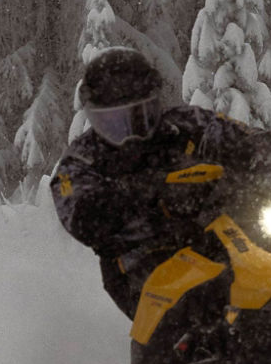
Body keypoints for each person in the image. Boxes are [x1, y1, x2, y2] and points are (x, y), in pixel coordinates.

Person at [51, 47, 252, 317]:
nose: (128, 133)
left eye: (138, 117)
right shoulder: (81, 161)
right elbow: (81, 216)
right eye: (112, 122)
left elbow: (250, 142)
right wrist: (145, 190)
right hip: (143, 262)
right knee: (187, 311)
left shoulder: (188, 125)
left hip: (230, 240)